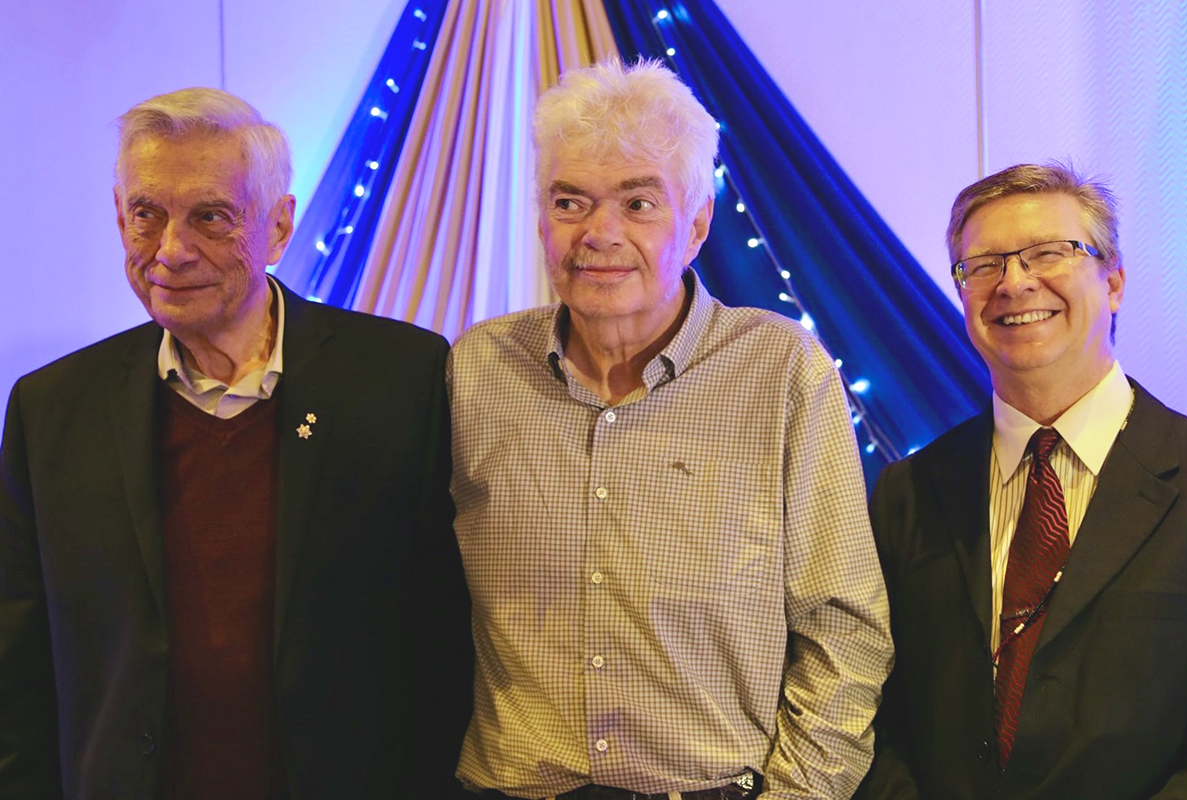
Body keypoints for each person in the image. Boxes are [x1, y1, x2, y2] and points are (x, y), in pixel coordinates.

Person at [0, 87, 473, 799]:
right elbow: (20, 663)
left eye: (211, 217)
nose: (170, 250)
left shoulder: (404, 380)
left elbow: (446, 633)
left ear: (279, 228)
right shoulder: (52, 409)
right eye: (145, 214)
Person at [447, 58, 891, 800]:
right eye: (570, 202)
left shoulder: (781, 369)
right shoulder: (477, 369)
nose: (599, 233)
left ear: (698, 223)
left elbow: (844, 625)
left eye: (639, 203)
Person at [856, 163, 1187, 799]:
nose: (1013, 283)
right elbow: (868, 712)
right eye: (983, 265)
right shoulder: (907, 494)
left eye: (1049, 253)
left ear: (1115, 280)